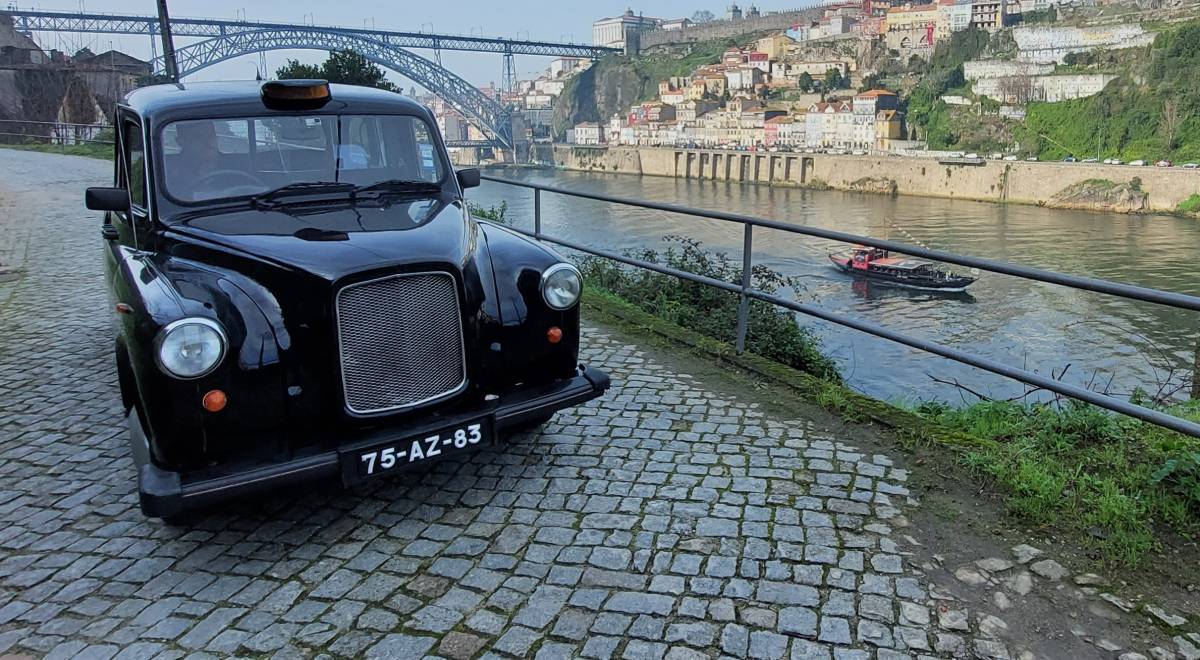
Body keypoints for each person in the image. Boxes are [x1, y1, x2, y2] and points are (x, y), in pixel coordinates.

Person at [166, 121, 221, 201]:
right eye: (198, 137)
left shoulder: (234, 164)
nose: (209, 142)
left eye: (212, 135)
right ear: (181, 142)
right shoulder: (167, 172)